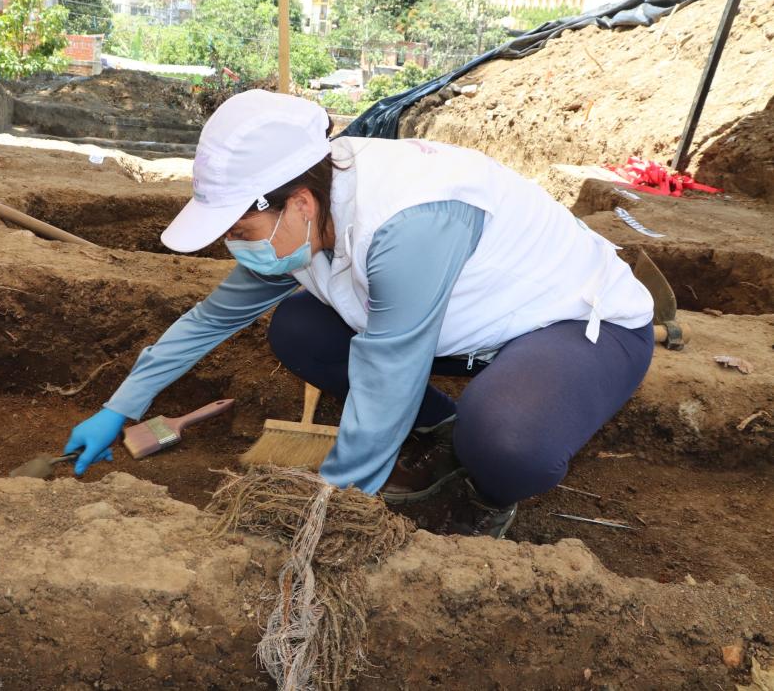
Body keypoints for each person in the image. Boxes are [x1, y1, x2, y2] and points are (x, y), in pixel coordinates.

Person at [60, 90, 654, 539]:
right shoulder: (305, 211)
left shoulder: (407, 219)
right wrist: (120, 407)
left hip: (572, 326)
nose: (235, 247)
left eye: (241, 231)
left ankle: (484, 489)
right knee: (300, 328)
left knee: (506, 441)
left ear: (297, 202)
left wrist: (333, 503)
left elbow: (389, 364)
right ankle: (443, 432)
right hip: (456, 325)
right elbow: (211, 319)